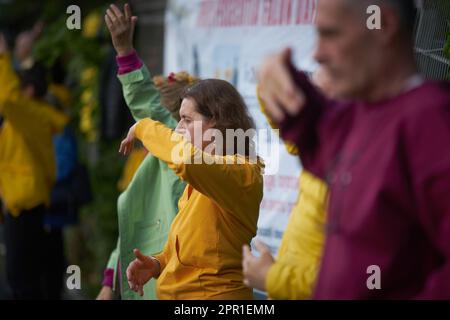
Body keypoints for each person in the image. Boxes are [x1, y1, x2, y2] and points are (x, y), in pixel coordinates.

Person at [258, 0, 450, 299]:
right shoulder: (360, 116)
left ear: (382, 25)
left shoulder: (431, 122)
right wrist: (275, 72)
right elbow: (312, 129)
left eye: (330, 34)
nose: (317, 53)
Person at [97, 4, 195, 300]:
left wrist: (125, 50)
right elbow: (130, 227)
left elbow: (146, 106)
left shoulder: (211, 163)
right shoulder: (148, 160)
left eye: (191, 119)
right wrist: (106, 284)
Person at [242, 68, 334, 299]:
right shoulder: (327, 146)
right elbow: (294, 131)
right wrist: (267, 89)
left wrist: (273, 277)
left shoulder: (361, 167)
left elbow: (352, 280)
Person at [0, 33, 68, 299]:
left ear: (28, 91)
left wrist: (3, 57)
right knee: (32, 278)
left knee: (21, 280)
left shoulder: (27, 118)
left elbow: (8, 100)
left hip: (24, 205)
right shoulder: (37, 117)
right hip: (28, 203)